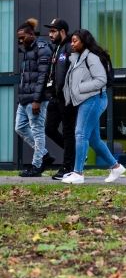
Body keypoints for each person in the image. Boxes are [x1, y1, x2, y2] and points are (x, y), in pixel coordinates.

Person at [62, 29, 126, 184]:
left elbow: (101, 80)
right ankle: (116, 167)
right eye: (72, 41)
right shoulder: (77, 58)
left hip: (94, 99)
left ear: (84, 42)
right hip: (86, 100)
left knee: (80, 134)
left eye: (75, 41)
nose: (72, 43)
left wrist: (79, 88)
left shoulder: (91, 57)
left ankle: (78, 173)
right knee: (93, 139)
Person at [15, 18, 54, 177]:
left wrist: (37, 100)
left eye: (23, 37)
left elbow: (43, 77)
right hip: (24, 99)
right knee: (20, 127)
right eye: (19, 38)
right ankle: (44, 155)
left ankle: (37, 166)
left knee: (37, 131)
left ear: (31, 34)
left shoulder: (42, 48)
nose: (20, 40)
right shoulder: (28, 50)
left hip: (36, 100)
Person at [44, 18, 77, 180]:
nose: (50, 34)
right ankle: (75, 154)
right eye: (50, 31)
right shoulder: (56, 48)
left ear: (62, 31)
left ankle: (67, 167)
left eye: (53, 31)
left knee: (68, 131)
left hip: (67, 98)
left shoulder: (70, 47)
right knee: (49, 129)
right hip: (55, 97)